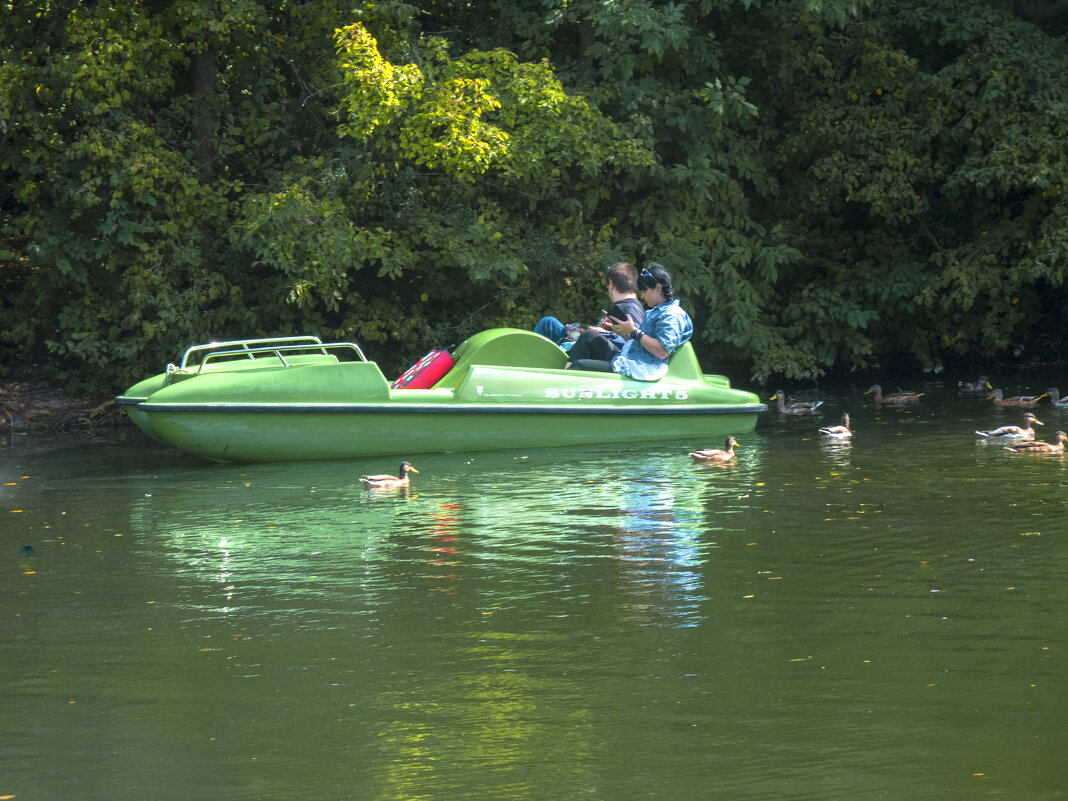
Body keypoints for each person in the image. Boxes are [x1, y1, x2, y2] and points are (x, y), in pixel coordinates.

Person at [566, 262, 693, 381]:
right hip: (631, 358)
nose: (642, 296)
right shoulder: (658, 311)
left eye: (645, 291)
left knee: (580, 365)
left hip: (643, 368)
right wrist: (623, 332)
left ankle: (561, 387)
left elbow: (662, 352)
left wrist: (634, 331)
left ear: (658, 288)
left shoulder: (672, 315)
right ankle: (562, 378)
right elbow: (641, 344)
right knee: (589, 336)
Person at [534, 262, 645, 357]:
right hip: (589, 344)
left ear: (611, 284)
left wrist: (597, 335)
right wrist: (582, 334)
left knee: (546, 324)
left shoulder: (629, 308)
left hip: (594, 353)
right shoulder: (627, 306)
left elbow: (634, 344)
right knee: (549, 323)